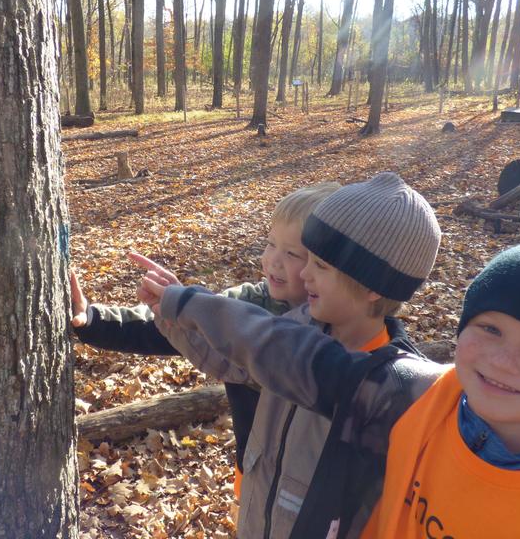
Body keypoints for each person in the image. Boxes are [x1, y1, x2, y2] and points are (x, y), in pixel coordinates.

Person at [142, 231, 520, 538]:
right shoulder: (414, 395)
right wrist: (187, 304)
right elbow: (285, 352)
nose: (504, 361)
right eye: (490, 328)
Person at [136, 172, 442, 537]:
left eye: (321, 265)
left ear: (373, 287)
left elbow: (259, 339)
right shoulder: (299, 323)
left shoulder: (392, 389)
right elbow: (233, 359)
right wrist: (170, 316)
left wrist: (189, 304)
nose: (305, 273)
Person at [70, 182, 339, 496]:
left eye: (292, 253)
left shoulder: (342, 326)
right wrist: (96, 319)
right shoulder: (250, 303)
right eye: (270, 244)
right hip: (255, 471)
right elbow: (178, 329)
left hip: (315, 485)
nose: (273, 260)